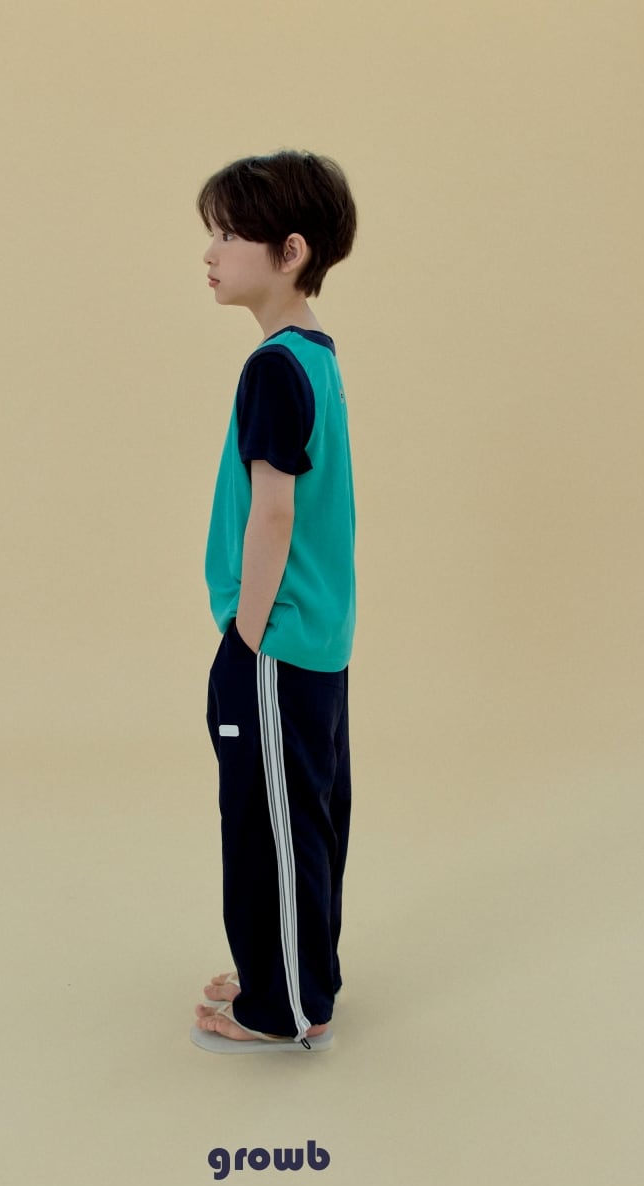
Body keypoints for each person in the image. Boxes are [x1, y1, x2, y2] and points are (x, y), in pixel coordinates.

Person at [191, 150, 358, 1054]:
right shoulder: (315, 359)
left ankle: (283, 1005)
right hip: (315, 638)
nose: (210, 253)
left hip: (277, 642)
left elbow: (276, 509)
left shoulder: (272, 369)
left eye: (228, 234)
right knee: (304, 817)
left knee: (267, 826)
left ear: (290, 252)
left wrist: (244, 639)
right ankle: (291, 973)